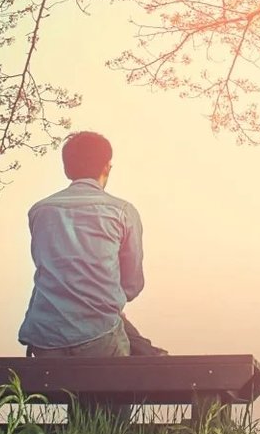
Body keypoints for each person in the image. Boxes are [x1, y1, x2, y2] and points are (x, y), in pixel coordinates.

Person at [17, 131, 169, 358]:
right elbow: (132, 285)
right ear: (107, 167)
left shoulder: (40, 211)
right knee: (120, 333)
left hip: (44, 335)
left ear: (67, 169)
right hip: (100, 335)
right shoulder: (122, 212)